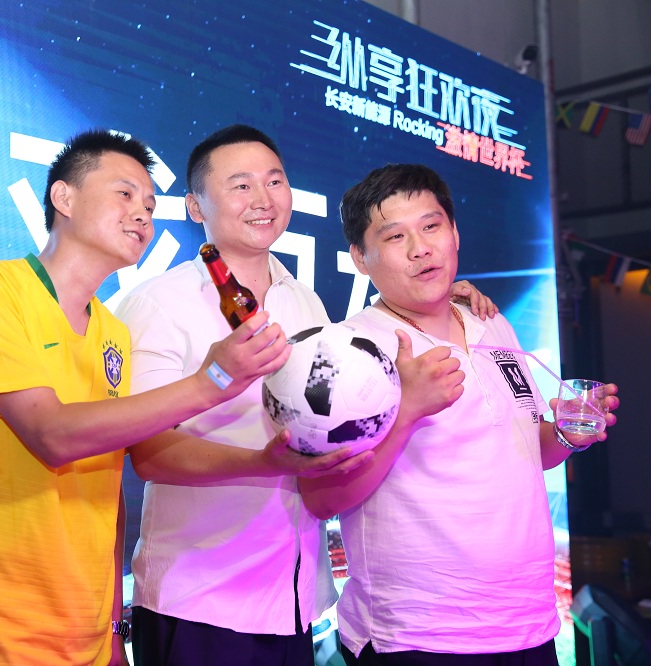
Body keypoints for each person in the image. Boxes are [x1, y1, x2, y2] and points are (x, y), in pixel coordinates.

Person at [0, 129, 326, 666]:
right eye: (124, 194)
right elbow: (51, 435)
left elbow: (108, 488)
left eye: (150, 205)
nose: (141, 213)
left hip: (90, 631)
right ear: (64, 198)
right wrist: (213, 380)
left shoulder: (111, 331)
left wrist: (114, 625)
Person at [115, 127, 499, 666]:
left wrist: (447, 297)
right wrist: (264, 462)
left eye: (275, 181)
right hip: (200, 599)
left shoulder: (306, 302)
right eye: (241, 185)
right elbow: (149, 455)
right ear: (195, 206)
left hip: (296, 603)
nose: (263, 199)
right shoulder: (159, 302)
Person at [300, 163, 621, 665]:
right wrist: (407, 411)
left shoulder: (492, 324)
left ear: (454, 233)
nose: (420, 248)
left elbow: (527, 453)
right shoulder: (347, 349)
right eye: (395, 236)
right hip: (417, 634)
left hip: (529, 623)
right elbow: (322, 498)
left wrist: (565, 433)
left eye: (431, 226)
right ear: (360, 257)